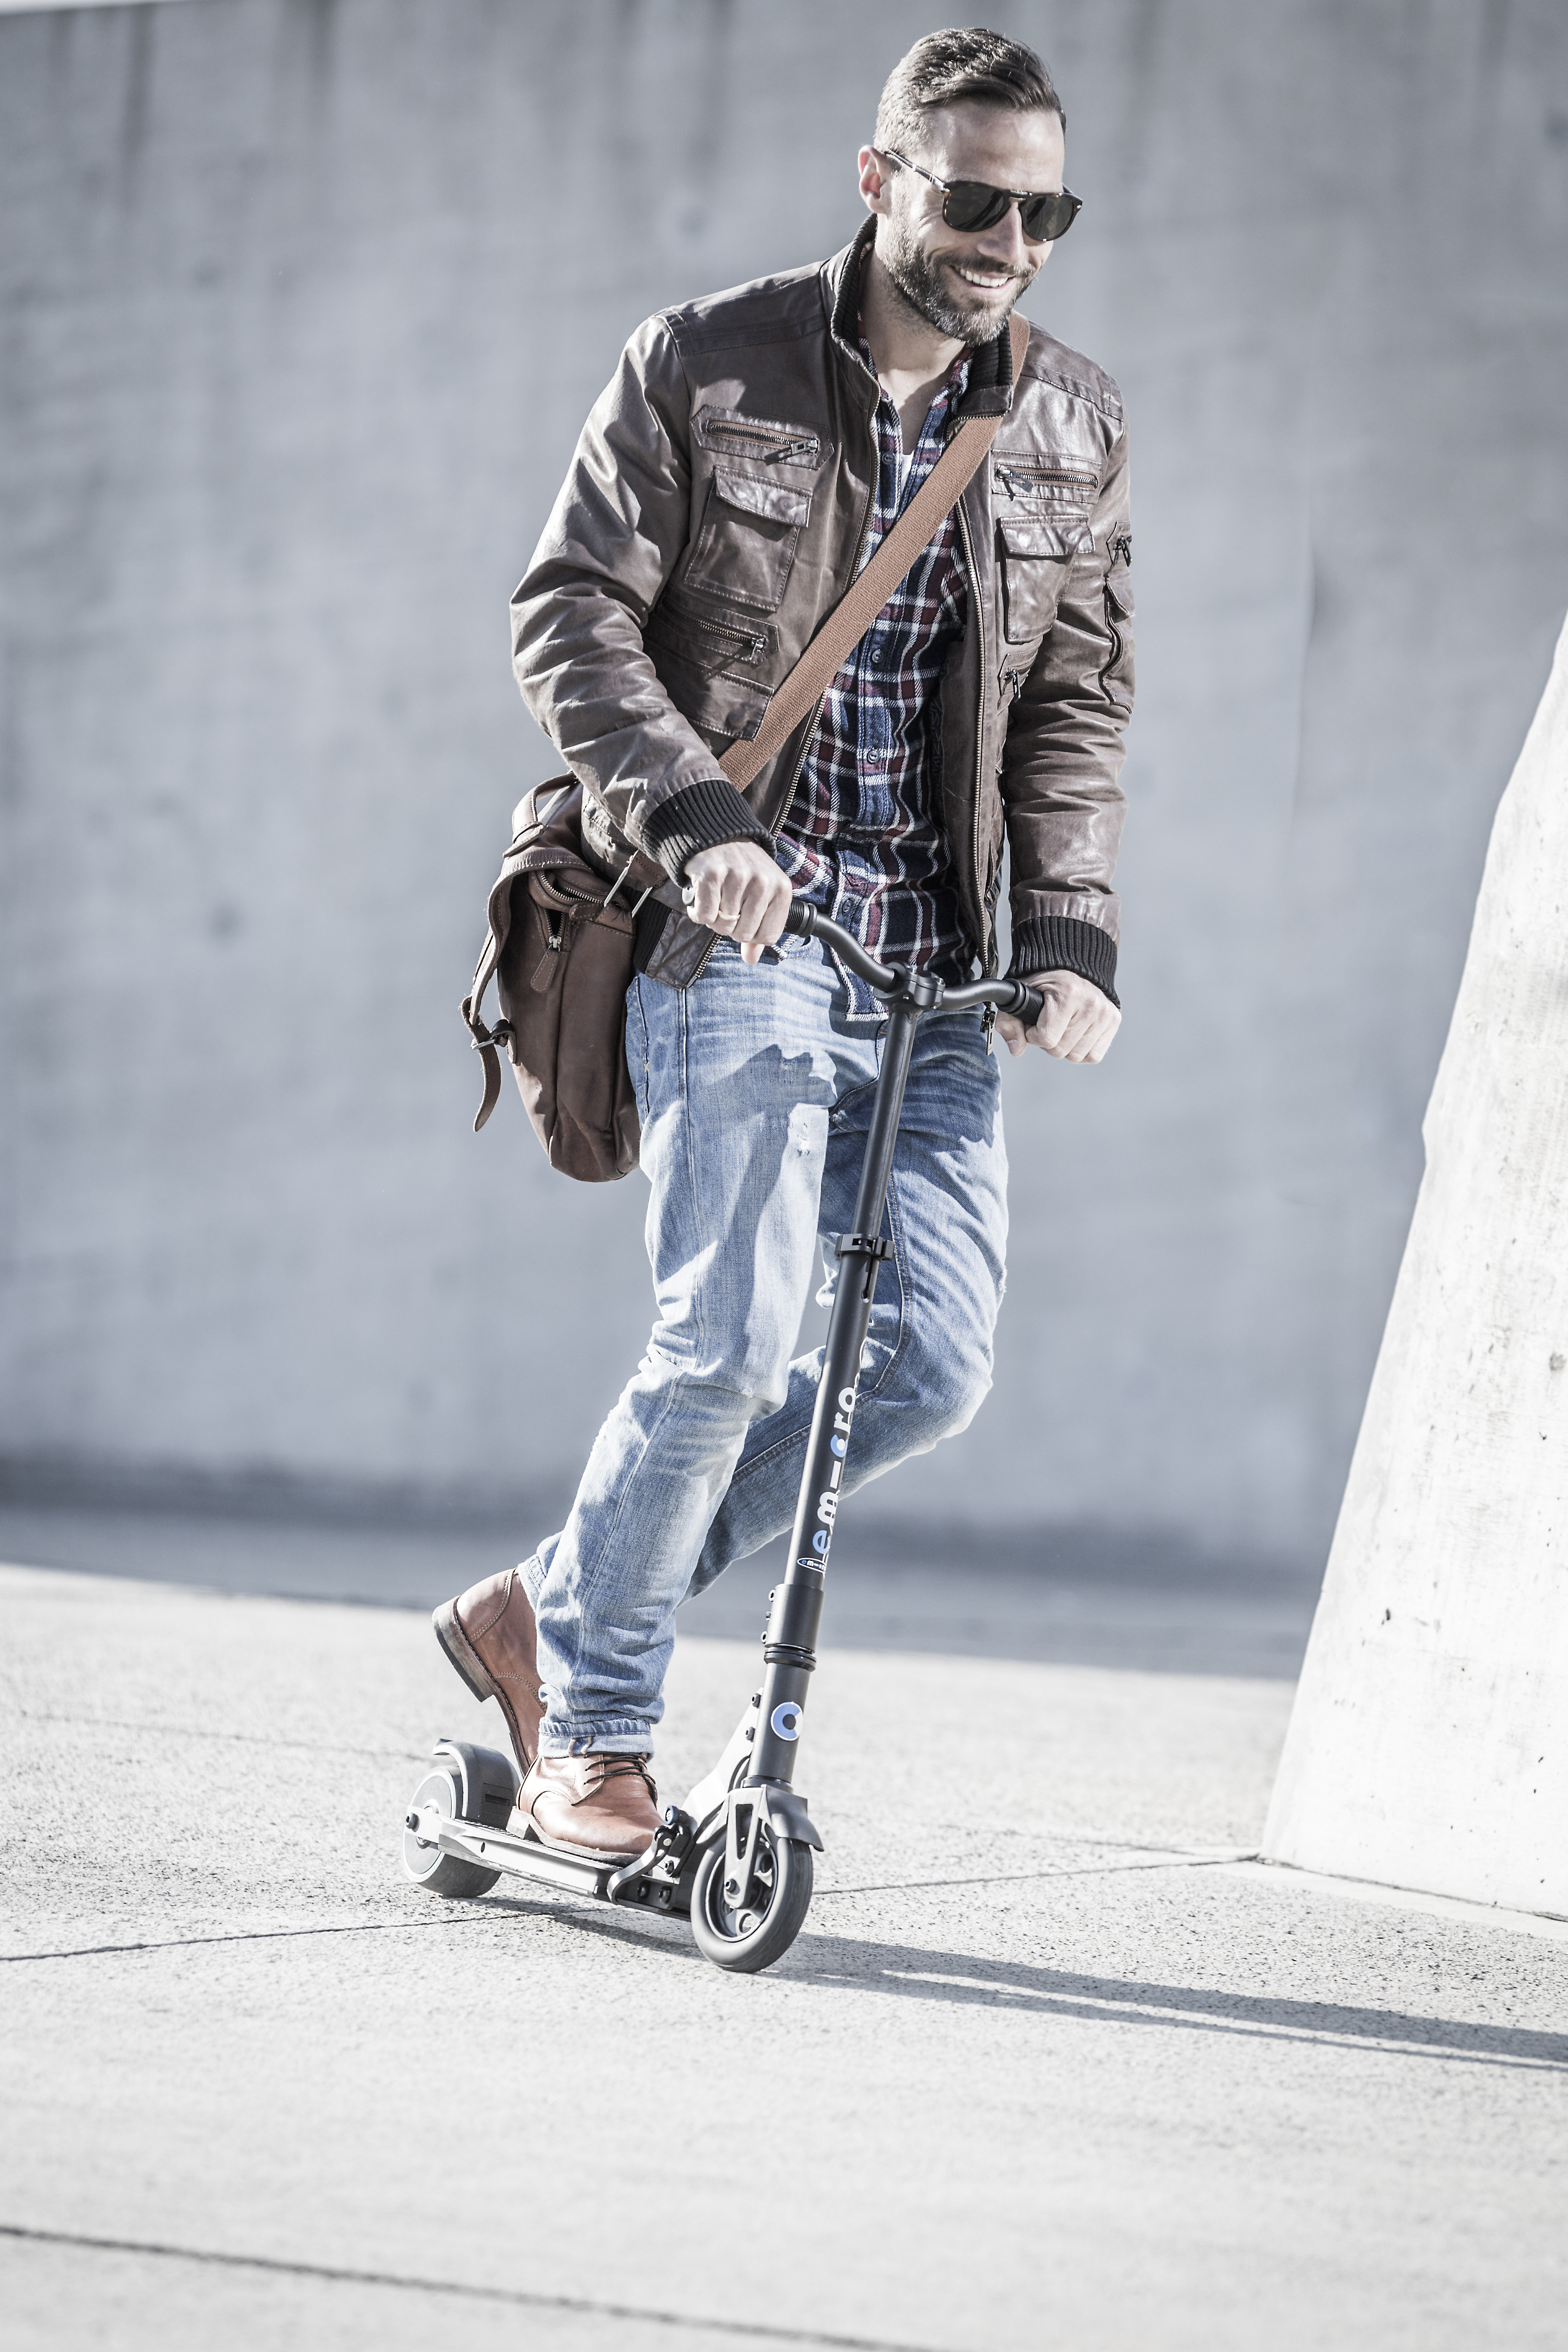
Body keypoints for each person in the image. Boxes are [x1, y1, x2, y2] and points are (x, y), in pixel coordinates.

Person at [434, 27, 1134, 1857]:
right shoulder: (705, 363)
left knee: (931, 1370)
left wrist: (1071, 933)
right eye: (975, 195)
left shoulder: (1069, 421)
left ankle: (552, 1607)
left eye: (1043, 208)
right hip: (730, 933)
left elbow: (1077, 698)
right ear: (881, 177)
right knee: (734, 1340)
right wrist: (703, 824)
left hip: (936, 972)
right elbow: (570, 617)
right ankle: (593, 1728)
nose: (1008, 240)